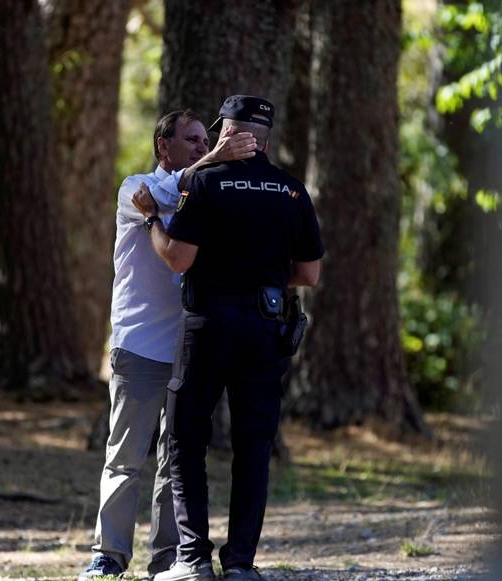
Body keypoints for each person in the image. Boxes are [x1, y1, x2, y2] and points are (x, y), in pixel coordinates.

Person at [132, 95, 324, 581]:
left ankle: (192, 559)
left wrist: (153, 218)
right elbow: (309, 273)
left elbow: (177, 258)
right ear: (265, 137)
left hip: (209, 326)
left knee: (185, 437)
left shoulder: (204, 181)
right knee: (254, 446)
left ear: (227, 133)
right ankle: (240, 563)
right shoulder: (291, 190)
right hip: (266, 329)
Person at [79, 109, 256, 580]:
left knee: (173, 463)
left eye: (206, 141)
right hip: (139, 346)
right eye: (194, 140)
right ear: (165, 146)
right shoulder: (135, 189)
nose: (203, 147)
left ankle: (168, 559)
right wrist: (216, 159)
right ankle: (109, 556)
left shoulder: (202, 194)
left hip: (190, 349)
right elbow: (158, 197)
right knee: (125, 457)